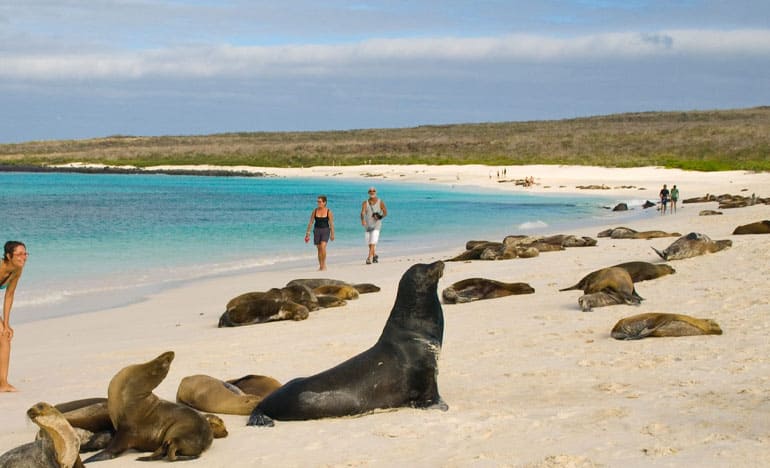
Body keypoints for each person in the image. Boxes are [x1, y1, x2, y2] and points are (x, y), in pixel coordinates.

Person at [1, 241, 28, 392]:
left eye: (25, 254)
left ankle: (3, 383)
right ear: (8, 256)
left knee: (5, 335)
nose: (23, 257)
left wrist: (6, 324)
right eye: (19, 254)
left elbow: (9, 295)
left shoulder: (17, 270)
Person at [305, 195, 335, 270]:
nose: (318, 203)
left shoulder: (329, 211)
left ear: (324, 202)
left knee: (323, 247)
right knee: (319, 249)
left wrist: (332, 234)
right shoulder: (315, 211)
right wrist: (307, 233)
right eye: (317, 201)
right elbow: (311, 222)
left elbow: (331, 224)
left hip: (325, 230)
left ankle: (324, 264)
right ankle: (320, 265)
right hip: (317, 230)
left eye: (320, 201)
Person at [361, 187, 388, 264]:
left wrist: (380, 216)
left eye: (373, 191)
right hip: (368, 225)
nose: (372, 192)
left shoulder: (380, 202)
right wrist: (362, 220)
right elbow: (362, 212)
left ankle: (369, 258)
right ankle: (375, 255)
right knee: (369, 243)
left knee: (373, 241)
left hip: (377, 224)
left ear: (376, 192)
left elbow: (385, 212)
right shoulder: (365, 202)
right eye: (370, 191)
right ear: (368, 193)